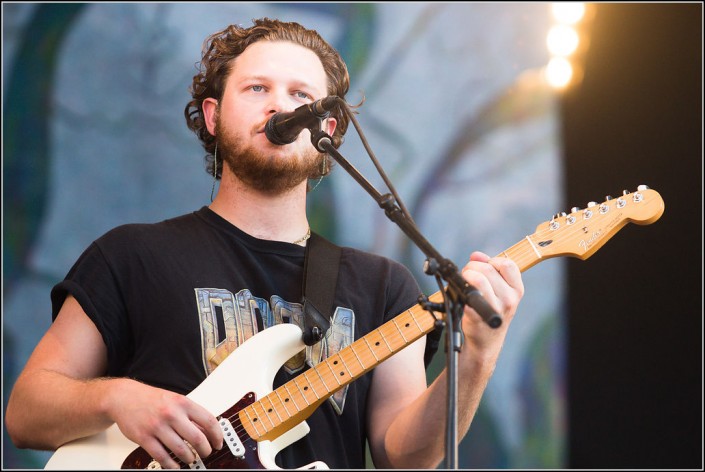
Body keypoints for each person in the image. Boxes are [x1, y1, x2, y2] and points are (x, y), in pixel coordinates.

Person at [5, 18, 524, 470]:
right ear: (212, 116)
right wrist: (119, 398)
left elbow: (405, 457)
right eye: (257, 88)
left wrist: (478, 356)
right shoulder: (131, 256)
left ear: (329, 129)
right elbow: (26, 412)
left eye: (302, 95)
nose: (281, 104)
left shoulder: (384, 286)